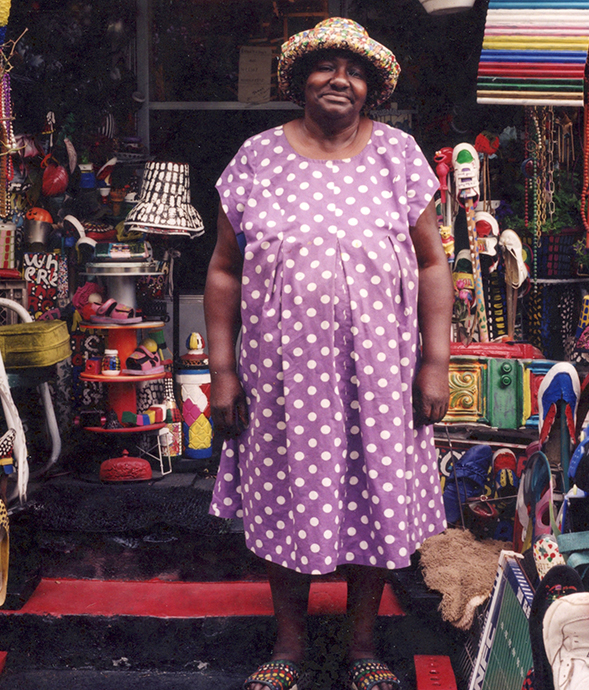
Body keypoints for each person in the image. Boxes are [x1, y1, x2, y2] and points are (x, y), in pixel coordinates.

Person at [204, 17, 452, 690]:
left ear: (371, 87)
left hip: (382, 376)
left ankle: (362, 645)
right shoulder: (257, 159)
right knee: (286, 493)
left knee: (374, 494)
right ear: (297, 81)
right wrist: (220, 372)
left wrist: (435, 362)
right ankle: (287, 645)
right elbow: (225, 270)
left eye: (356, 69)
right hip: (282, 381)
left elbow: (433, 264)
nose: (340, 77)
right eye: (324, 65)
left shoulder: (399, 156)